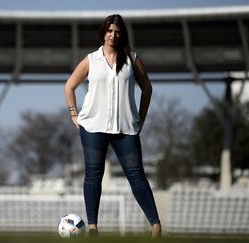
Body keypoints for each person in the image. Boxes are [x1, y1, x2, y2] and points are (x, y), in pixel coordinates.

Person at [64, 14, 161, 238]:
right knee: (93, 174)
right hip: (92, 126)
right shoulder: (91, 59)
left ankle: (156, 226)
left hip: (126, 128)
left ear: (122, 34)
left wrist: (141, 117)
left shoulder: (132, 59)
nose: (113, 35)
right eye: (109, 31)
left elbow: (147, 88)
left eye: (117, 31)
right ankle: (92, 228)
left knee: (137, 175)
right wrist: (73, 115)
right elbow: (69, 86)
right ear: (103, 32)